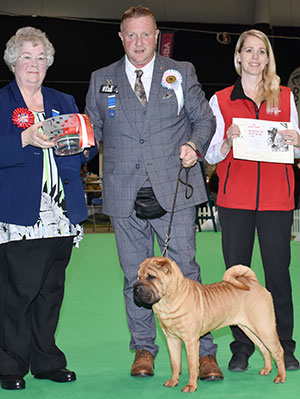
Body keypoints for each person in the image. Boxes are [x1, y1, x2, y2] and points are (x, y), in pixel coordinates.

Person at [85, 5, 223, 381]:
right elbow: (92, 130)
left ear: (157, 35)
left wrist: (195, 145)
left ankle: (205, 351)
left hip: (174, 188)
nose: (139, 42)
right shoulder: (101, 79)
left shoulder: (180, 72)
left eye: (146, 34)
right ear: (121, 38)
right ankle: (144, 348)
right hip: (123, 191)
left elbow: (205, 119)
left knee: (187, 272)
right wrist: (76, 142)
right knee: (135, 275)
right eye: (131, 35)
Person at [0, 27, 96, 390]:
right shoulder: (2, 103)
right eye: (26, 56)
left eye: (41, 58)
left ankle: (46, 361)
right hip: (22, 214)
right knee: (17, 293)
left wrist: (84, 145)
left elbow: (86, 147)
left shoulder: (63, 100)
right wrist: (24, 138)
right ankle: (9, 364)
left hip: (61, 213)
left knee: (50, 292)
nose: (34, 64)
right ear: (13, 62)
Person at [205, 29, 300, 372]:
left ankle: (284, 346)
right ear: (238, 57)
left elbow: (298, 148)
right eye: (249, 51)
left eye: (262, 52)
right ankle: (241, 348)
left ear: (267, 58)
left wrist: (297, 139)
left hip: (277, 200)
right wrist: (227, 142)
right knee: (236, 279)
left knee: (278, 276)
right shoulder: (220, 100)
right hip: (235, 200)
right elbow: (211, 152)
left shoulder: (286, 97)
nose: (255, 57)